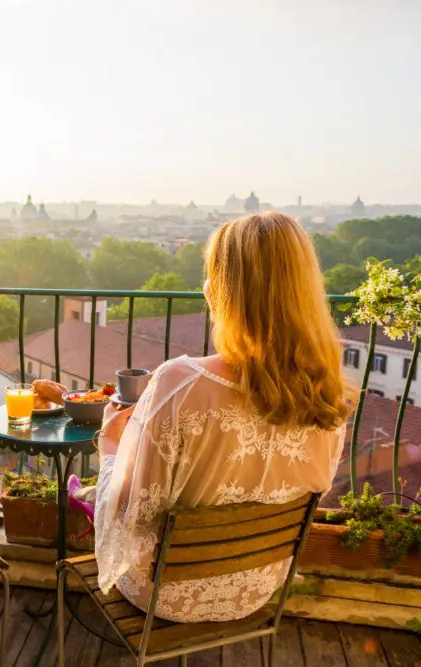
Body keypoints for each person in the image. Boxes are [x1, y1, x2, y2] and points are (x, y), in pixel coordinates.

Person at [70, 211, 351, 623]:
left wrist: (112, 448)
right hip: (257, 590)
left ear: (221, 290)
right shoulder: (327, 390)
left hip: (164, 594)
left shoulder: (180, 383)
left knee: (106, 490)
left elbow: (137, 520)